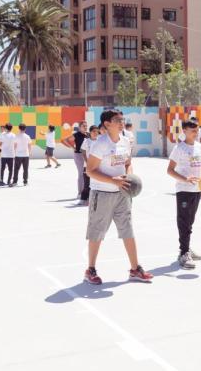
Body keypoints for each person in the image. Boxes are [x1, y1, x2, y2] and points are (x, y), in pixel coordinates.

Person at [83, 110, 152, 285]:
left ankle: (135, 269)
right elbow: (90, 170)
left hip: (122, 194)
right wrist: (112, 180)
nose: (122, 123)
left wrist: (129, 177)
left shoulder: (125, 141)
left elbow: (128, 163)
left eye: (122, 120)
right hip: (103, 193)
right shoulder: (100, 144)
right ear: (107, 124)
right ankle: (90, 269)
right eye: (117, 120)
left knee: (127, 230)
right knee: (97, 232)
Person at [167, 120, 201, 269]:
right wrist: (185, 179)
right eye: (193, 130)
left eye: (197, 130)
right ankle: (183, 253)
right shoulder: (179, 148)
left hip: (197, 188)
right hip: (183, 189)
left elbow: (200, 166)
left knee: (190, 221)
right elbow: (169, 170)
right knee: (184, 221)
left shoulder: (199, 146)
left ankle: (187, 247)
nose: (196, 133)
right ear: (185, 131)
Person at [65, 121, 88, 199]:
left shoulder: (88, 135)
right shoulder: (76, 135)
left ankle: (86, 191)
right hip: (78, 155)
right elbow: (66, 140)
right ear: (79, 127)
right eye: (83, 126)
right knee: (81, 173)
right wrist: (73, 147)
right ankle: (80, 192)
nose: (85, 127)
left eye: (86, 126)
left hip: (87, 155)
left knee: (87, 173)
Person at [79, 126, 99, 204]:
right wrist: (87, 162)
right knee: (87, 184)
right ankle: (83, 199)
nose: (95, 133)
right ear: (90, 132)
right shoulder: (86, 141)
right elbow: (83, 152)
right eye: (94, 131)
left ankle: (93, 200)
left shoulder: (100, 141)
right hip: (87, 166)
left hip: (97, 166)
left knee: (96, 185)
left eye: (97, 131)